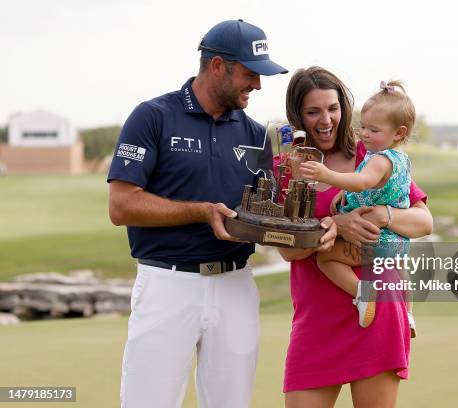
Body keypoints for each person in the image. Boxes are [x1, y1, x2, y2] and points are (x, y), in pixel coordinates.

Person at [107, 20, 325, 408]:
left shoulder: (258, 134)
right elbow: (121, 205)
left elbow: (271, 207)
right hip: (167, 283)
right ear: (217, 66)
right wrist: (200, 211)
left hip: (236, 284)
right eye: (249, 73)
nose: (257, 84)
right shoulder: (153, 117)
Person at [277, 66, 433, 407]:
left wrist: (383, 215)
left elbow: (423, 221)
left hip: (376, 315)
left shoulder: (373, 156)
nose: (325, 120)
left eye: (332, 108)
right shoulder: (285, 166)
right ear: (297, 115)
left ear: (343, 108)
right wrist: (337, 224)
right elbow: (288, 252)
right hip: (316, 320)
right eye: (313, 111)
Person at [300, 80, 415, 329]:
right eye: (363, 127)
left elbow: (363, 182)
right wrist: (345, 193)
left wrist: (326, 175)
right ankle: (408, 315)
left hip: (375, 241)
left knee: (326, 258)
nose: (364, 134)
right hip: (397, 244)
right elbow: (376, 191)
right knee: (401, 269)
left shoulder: (380, 160)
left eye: (373, 130)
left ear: (399, 133)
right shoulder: (401, 160)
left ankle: (362, 293)